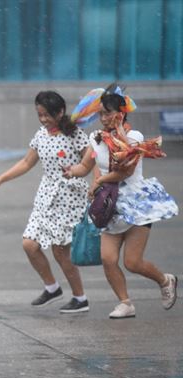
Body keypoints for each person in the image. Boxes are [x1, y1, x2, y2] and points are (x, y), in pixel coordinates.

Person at [64, 84, 179, 319]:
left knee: (133, 262)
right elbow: (86, 165)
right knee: (108, 258)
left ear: (120, 113)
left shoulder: (134, 137)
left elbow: (126, 170)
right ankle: (125, 302)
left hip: (137, 205)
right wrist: (71, 171)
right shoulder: (95, 139)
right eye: (100, 113)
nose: (103, 118)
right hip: (111, 206)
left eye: (107, 113)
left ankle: (165, 280)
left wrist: (99, 181)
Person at [0, 91, 91, 313]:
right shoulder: (41, 134)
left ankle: (80, 298)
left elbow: (92, 159)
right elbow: (26, 162)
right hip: (45, 197)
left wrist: (92, 181)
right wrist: (1, 179)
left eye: (47, 115)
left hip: (69, 198)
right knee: (29, 244)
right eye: (39, 115)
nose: (43, 119)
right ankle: (52, 288)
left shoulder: (76, 134)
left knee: (60, 252)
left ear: (60, 112)